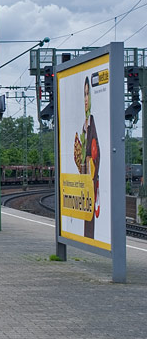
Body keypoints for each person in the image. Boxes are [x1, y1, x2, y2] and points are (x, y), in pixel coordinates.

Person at [81, 76, 100, 239]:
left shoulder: (92, 125)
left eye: (88, 94)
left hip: (90, 186)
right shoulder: (83, 127)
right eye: (84, 94)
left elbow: (95, 155)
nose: (86, 99)